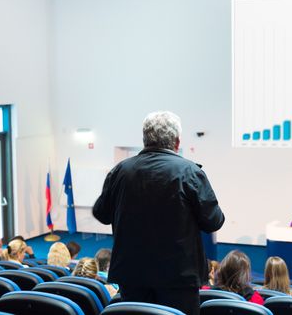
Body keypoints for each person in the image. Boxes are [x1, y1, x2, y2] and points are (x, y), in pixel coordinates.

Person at [93, 111, 225, 315]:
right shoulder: (190, 172)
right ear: (177, 141)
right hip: (178, 278)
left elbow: (101, 213)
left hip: (132, 275)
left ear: (145, 139)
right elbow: (214, 221)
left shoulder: (120, 171)